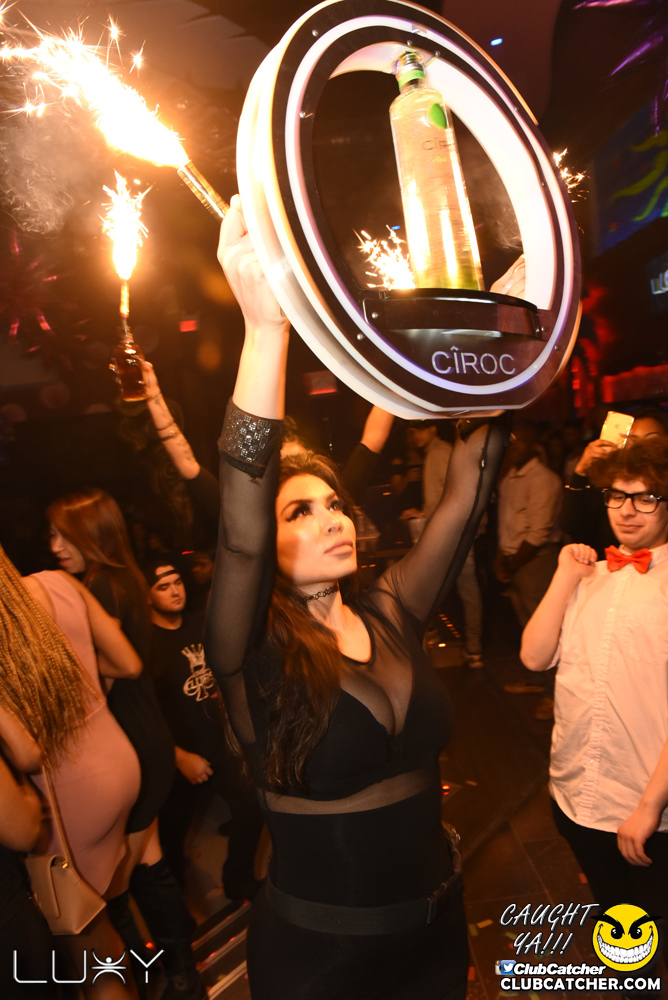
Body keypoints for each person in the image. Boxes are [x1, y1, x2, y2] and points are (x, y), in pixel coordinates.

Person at [204, 196, 509, 1000]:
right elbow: (240, 525)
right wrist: (265, 332)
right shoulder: (249, 653)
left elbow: (469, 492)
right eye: (299, 512)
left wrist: (495, 349)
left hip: (438, 935)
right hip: (323, 966)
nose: (332, 518)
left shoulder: (391, 609)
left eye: (334, 503)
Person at [47, 489, 204, 1000]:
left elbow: (118, 669)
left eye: (62, 535)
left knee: (113, 887)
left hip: (133, 743)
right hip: (147, 738)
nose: (54, 547)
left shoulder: (100, 586)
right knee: (149, 867)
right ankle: (178, 973)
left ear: (89, 534)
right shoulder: (123, 578)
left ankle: (150, 975)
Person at [520, 438, 668, 966]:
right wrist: (565, 575)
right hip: (575, 794)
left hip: (646, 805)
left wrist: (649, 807)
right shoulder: (589, 576)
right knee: (618, 923)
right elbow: (534, 656)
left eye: (645, 497)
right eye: (617, 496)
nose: (627, 510)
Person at [0, 544, 142, 999]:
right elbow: (129, 664)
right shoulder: (57, 582)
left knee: (89, 954)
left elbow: (28, 755)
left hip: (68, 796)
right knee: (108, 919)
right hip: (118, 759)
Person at [145, 556, 263, 904]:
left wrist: (224, 693)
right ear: (148, 596)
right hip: (177, 753)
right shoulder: (146, 643)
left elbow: (223, 667)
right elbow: (145, 714)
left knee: (252, 808)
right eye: (163, 587)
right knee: (171, 837)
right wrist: (179, 757)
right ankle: (177, 904)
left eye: (177, 583)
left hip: (216, 741)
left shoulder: (200, 625)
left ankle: (238, 881)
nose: (174, 591)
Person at [562, 408, 668, 556]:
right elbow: (574, 525)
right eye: (618, 497)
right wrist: (581, 470)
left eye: (645, 500)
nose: (626, 511)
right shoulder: (611, 483)